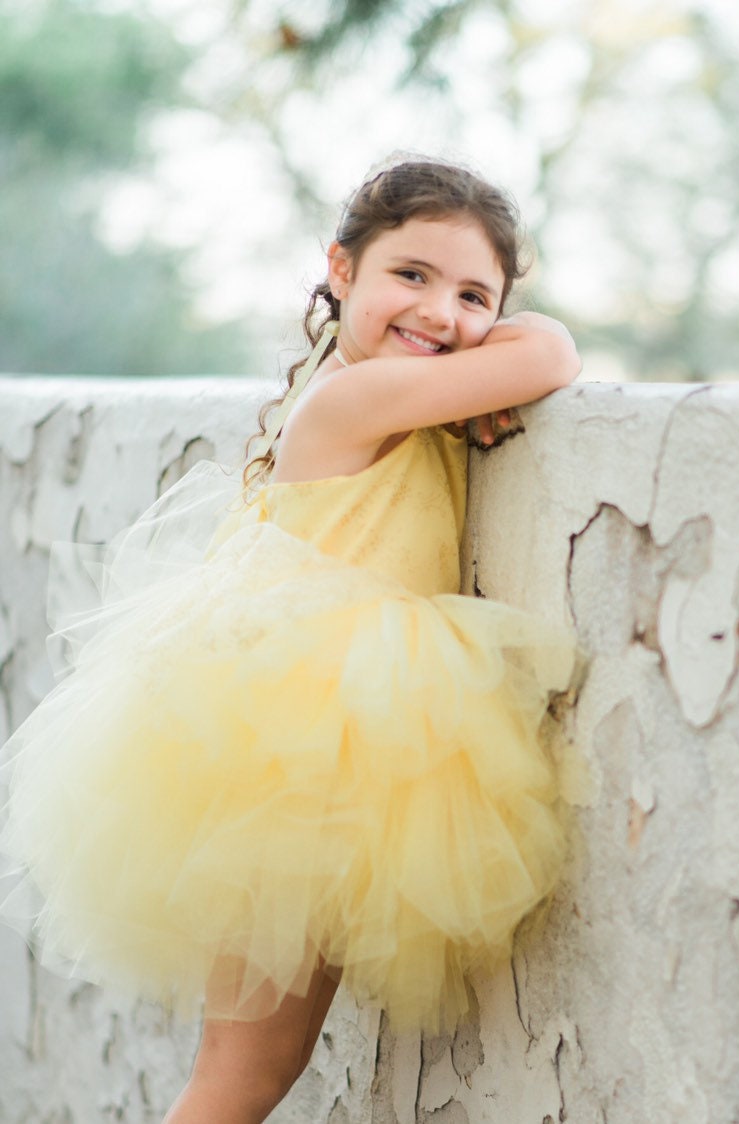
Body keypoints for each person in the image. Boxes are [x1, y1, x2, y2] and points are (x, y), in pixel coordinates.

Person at [0, 158, 582, 1123]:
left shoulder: (363, 380)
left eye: (474, 295)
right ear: (341, 269)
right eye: (411, 275)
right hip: (300, 757)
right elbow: (550, 359)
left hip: (305, 743)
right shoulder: (356, 399)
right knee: (242, 1078)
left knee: (249, 1073)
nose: (439, 313)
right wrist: (515, 339)